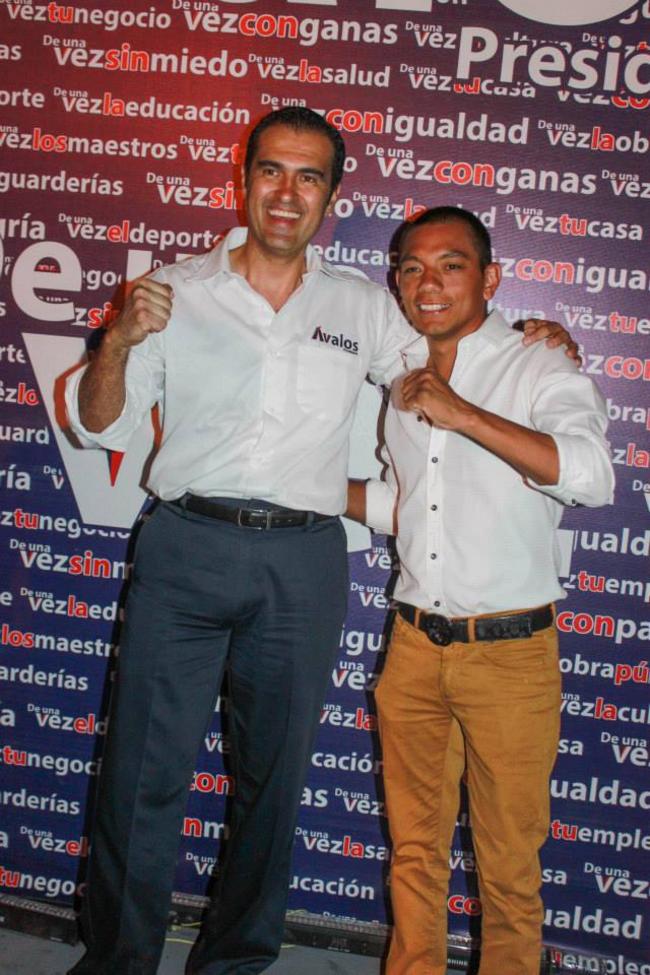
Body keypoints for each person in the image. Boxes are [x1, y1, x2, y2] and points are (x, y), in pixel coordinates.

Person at [65, 109, 579, 975]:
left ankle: (234, 961)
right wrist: (116, 339)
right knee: (140, 773)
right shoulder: (175, 291)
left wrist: (536, 342)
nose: (287, 192)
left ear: (333, 196)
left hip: (302, 564)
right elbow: (98, 423)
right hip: (185, 547)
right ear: (245, 179)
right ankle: (119, 960)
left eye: (309, 177)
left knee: (274, 784)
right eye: (272, 170)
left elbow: (451, 346)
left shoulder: (362, 306)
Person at [346, 207, 614, 975]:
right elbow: (407, 506)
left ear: (490, 277)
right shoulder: (401, 378)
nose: (428, 282)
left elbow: (591, 476)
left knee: (508, 871)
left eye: (450, 265)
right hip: (412, 648)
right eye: (411, 268)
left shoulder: (539, 362)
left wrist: (463, 414)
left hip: (510, 656)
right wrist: (308, 486)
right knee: (414, 854)